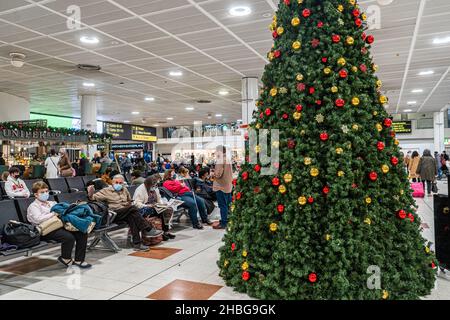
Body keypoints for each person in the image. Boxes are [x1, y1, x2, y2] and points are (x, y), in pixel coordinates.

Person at [88, 174, 163, 251]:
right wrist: (90, 192)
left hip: (126, 212)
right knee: (133, 209)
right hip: (114, 214)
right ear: (112, 182)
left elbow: (129, 201)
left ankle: (137, 244)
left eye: (120, 183)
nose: (118, 184)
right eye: (116, 182)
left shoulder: (124, 190)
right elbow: (93, 198)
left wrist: (128, 204)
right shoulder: (106, 191)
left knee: (133, 217)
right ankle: (148, 229)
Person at [27, 181, 91, 268]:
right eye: (42, 192)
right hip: (45, 229)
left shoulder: (52, 203)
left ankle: (79, 260)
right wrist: (54, 214)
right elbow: (38, 219)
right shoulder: (34, 206)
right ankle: (65, 258)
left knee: (81, 232)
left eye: (46, 191)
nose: (45, 194)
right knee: (69, 237)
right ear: (36, 195)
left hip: (59, 225)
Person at [133, 175, 176, 241]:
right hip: (144, 208)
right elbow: (137, 203)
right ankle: (163, 233)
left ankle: (165, 232)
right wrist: (148, 206)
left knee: (168, 210)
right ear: (148, 184)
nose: (155, 187)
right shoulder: (141, 189)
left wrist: (162, 204)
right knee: (161, 212)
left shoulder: (155, 188)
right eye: (153, 185)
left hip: (154, 206)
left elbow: (159, 199)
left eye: (155, 185)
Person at [212, 146, 233, 230]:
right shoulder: (227, 158)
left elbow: (218, 174)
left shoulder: (220, 159)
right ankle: (228, 220)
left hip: (221, 186)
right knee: (227, 205)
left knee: (222, 205)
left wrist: (212, 173)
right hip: (228, 185)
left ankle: (224, 223)